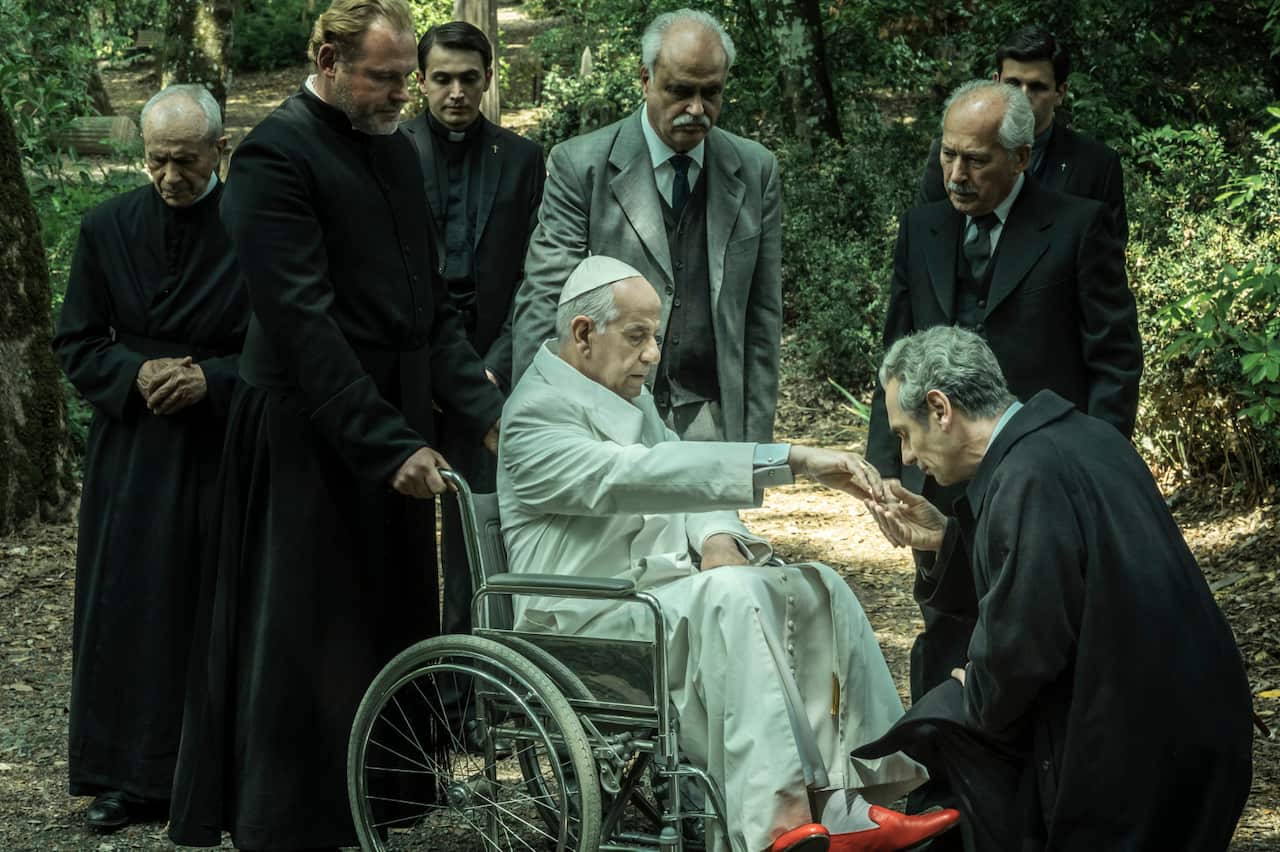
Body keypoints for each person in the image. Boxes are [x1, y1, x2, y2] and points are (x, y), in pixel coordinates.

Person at [167, 1, 504, 848]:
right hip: (308, 430)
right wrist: (385, 444)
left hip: (389, 416)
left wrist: (486, 412)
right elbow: (301, 322)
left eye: (402, 78)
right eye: (384, 77)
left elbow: (429, 306)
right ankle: (289, 818)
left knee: (383, 617)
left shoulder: (392, 148)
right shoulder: (274, 157)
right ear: (327, 60)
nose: (402, 94)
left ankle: (377, 800)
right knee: (307, 634)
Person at [498, 255, 960, 852]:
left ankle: (850, 800)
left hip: (654, 604)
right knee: (734, 596)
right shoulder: (532, 415)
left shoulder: (625, 396)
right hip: (582, 622)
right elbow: (639, 475)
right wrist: (791, 459)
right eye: (638, 336)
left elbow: (684, 482)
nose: (653, 354)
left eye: (655, 336)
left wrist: (718, 537)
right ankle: (776, 824)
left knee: (815, 584)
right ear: (584, 333)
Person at [854, 325, 1254, 851]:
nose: (905, 457)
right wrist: (946, 542)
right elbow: (1068, 577)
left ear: (940, 408)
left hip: (1138, 761)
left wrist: (974, 686)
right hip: (1204, 730)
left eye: (905, 433)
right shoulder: (1085, 437)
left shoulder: (1026, 476)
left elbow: (1022, 650)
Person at [865, 79, 1141, 701]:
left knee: (1034, 622)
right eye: (947, 155)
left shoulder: (1077, 226)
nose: (956, 175)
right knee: (945, 618)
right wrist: (886, 464)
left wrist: (1096, 463)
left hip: (1042, 473)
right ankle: (941, 738)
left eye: (975, 160)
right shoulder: (922, 227)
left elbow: (1114, 358)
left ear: (1020, 157)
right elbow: (897, 347)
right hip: (941, 469)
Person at [51, 84, 247, 834]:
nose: (170, 176)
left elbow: (282, 343)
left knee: (212, 606)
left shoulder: (254, 228)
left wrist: (213, 380)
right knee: (128, 606)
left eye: (186, 161)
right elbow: (77, 340)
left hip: (219, 445)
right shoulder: (107, 227)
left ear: (220, 150)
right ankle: (125, 777)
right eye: (157, 160)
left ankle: (217, 771)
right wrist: (133, 374)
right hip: (132, 450)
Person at [512, 8, 782, 444]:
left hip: (713, 422)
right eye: (680, 91)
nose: (696, 109)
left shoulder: (755, 170)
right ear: (645, 79)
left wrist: (755, 450)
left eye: (711, 92)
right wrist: (538, 426)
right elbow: (546, 299)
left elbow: (762, 318)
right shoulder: (581, 166)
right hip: (605, 419)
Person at [402, 20, 545, 647]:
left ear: (488, 79)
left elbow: (537, 276)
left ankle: (476, 680)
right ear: (421, 82)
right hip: (411, 376)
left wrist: (494, 367)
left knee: (479, 539)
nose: (455, 92)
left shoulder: (522, 159)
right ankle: (409, 677)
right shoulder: (393, 152)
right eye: (442, 78)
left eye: (468, 78)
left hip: (492, 376)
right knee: (402, 540)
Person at [916, 27, 1128, 243]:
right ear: (996, 83)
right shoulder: (951, 153)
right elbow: (926, 239)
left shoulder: (1096, 165)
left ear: (1060, 92)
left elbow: (1106, 253)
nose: (1022, 96)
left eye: (1037, 87)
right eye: (1013, 84)